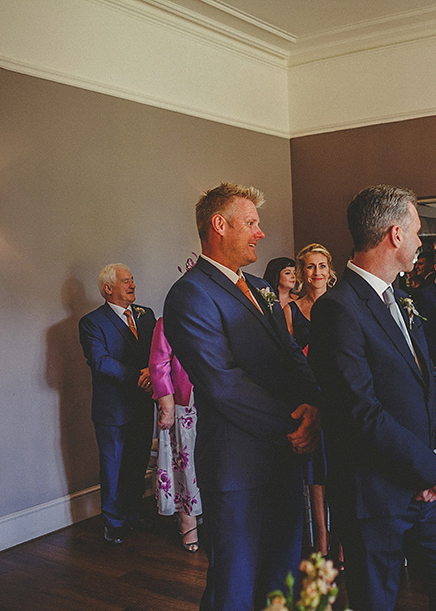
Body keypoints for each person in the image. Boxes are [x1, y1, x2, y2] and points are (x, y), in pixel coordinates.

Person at [307, 185, 436, 611]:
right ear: (395, 235)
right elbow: (360, 412)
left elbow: (429, 384)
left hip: (429, 492)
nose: (421, 242)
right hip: (376, 497)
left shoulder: (403, 298)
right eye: (417, 232)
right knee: (376, 602)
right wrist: (429, 470)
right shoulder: (338, 309)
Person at [163, 183, 320, 610]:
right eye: (251, 223)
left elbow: (290, 354)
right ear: (219, 225)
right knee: (236, 580)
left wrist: (314, 405)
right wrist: (294, 423)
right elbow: (223, 383)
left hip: (283, 455)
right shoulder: (190, 294)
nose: (260, 233)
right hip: (238, 465)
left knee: (282, 571)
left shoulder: (258, 286)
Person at [78, 263, 155, 546]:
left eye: (132, 279)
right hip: (113, 409)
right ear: (108, 289)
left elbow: (156, 352)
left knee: (137, 463)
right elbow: (100, 361)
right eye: (126, 281)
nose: (133, 285)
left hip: (144, 403)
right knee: (113, 466)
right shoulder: (91, 323)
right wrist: (139, 376)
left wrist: (153, 372)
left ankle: (133, 512)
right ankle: (113, 522)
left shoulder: (147, 316)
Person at [283, 243, 335, 559]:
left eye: (322, 266)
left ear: (330, 271)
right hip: (307, 391)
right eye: (310, 266)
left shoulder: (341, 304)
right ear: (303, 272)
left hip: (337, 392)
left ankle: (342, 541)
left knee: (339, 466)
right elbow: (288, 354)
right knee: (315, 470)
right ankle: (321, 540)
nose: (316, 272)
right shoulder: (291, 308)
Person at [150, 310, 201, 553]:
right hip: (183, 404)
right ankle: (187, 520)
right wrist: (167, 405)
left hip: (217, 402)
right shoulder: (168, 321)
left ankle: (209, 516)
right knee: (185, 463)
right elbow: (158, 365)